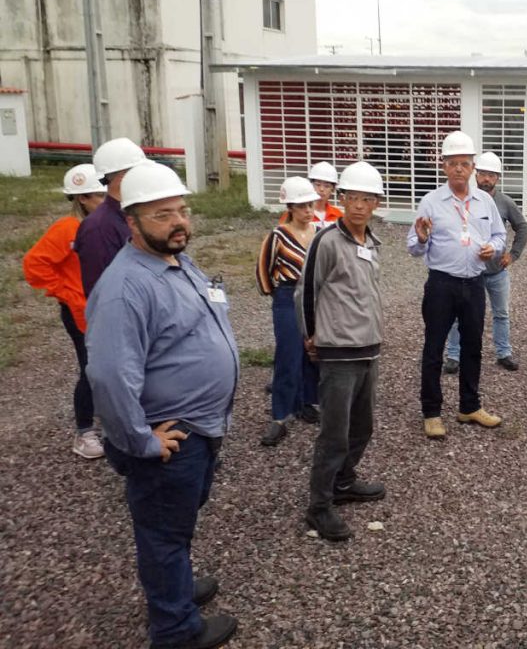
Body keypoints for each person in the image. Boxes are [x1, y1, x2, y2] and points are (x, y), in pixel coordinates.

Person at [87, 161, 239, 649]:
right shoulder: (125, 287)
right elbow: (109, 376)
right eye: (161, 215)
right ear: (131, 222)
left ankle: (175, 587)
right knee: (162, 533)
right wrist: (139, 440)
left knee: (176, 525)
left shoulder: (177, 259)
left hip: (201, 427)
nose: (178, 223)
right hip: (170, 436)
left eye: (181, 210)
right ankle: (175, 629)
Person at [297, 161, 387, 541]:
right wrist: (311, 337)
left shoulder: (371, 243)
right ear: (341, 198)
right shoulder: (328, 241)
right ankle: (318, 507)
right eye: (353, 198)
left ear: (377, 203)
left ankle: (344, 482)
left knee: (362, 427)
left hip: (368, 350)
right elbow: (306, 293)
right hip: (338, 352)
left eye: (368, 199)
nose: (359, 206)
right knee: (334, 433)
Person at [408, 130, 506, 440]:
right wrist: (422, 238)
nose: (459, 169)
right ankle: (432, 412)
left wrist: (495, 248)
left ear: (473, 166)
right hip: (441, 284)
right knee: (434, 348)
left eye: (465, 163)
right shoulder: (431, 201)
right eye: (453, 163)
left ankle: (469, 406)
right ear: (443, 166)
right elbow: (413, 244)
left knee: (473, 346)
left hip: (474, 284)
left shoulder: (484, 202)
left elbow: (500, 235)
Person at [23, 164, 107, 459]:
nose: (106, 201)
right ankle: (85, 432)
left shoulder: (110, 224)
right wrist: (69, 294)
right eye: (99, 196)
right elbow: (34, 265)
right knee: (90, 369)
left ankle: (116, 418)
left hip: (107, 308)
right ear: (82, 198)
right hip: (80, 313)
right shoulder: (66, 229)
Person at [444, 151, 527, 373]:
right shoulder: (465, 199)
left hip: (497, 272)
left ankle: (504, 353)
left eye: (491, 175)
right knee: (459, 314)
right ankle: (454, 355)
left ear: (498, 178)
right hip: (469, 271)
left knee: (501, 313)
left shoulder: (505, 203)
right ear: (476, 174)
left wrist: (514, 254)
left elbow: (522, 227)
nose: (486, 179)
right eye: (483, 174)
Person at [256, 176, 322, 446]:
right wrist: (278, 294)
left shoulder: (319, 232)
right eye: (303, 206)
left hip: (314, 296)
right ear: (290, 208)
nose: (309, 211)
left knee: (313, 351)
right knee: (288, 353)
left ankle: (307, 401)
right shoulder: (277, 235)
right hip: (286, 295)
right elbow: (263, 271)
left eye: (311, 205)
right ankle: (280, 415)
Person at [74, 137, 149, 297]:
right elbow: (102, 292)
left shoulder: (133, 213)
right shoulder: (98, 228)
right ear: (123, 177)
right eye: (141, 172)